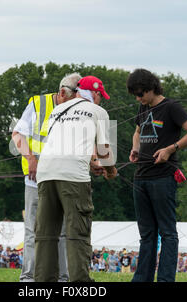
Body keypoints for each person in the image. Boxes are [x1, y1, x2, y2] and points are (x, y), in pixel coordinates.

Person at [34, 75, 117, 282]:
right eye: (101, 96)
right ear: (95, 94)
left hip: (45, 174)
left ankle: (43, 283)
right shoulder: (99, 112)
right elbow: (104, 151)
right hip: (74, 179)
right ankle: (80, 284)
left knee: (46, 235)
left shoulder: (57, 110)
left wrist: (89, 162)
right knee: (77, 232)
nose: (101, 100)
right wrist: (110, 171)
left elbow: (61, 144)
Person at [127, 69, 187, 282]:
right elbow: (138, 131)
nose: (138, 98)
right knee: (146, 235)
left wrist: (171, 149)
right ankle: (142, 278)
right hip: (141, 176)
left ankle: (166, 278)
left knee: (167, 233)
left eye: (141, 93)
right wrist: (135, 148)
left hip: (163, 177)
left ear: (151, 88)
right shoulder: (143, 107)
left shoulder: (171, 107)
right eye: (135, 94)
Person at [12, 73, 84, 282]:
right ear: (62, 92)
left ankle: (62, 278)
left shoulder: (76, 109)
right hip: (36, 179)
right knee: (33, 229)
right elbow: (17, 135)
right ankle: (28, 278)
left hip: (63, 177)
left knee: (62, 231)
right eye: (72, 99)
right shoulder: (37, 104)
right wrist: (30, 159)